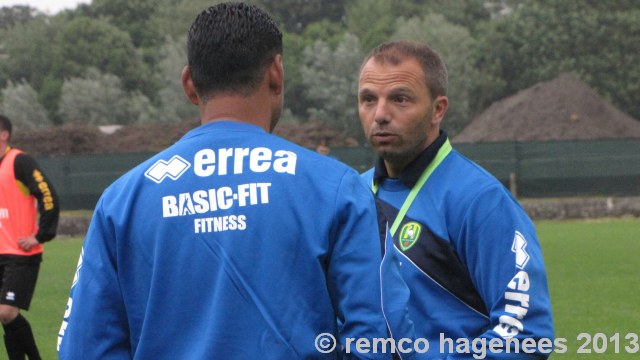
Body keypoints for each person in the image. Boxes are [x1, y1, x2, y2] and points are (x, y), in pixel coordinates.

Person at [58, 3, 410, 359]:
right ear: (276, 73)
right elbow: (377, 336)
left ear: (189, 84)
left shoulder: (122, 202)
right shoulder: (336, 187)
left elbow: (86, 349)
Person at [358, 40, 554, 359]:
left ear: (438, 109)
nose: (380, 114)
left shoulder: (481, 201)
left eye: (400, 99)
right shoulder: (353, 194)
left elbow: (525, 335)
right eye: (368, 99)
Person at [0, 114, 60, 360]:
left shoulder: (20, 161)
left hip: (21, 254)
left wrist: (40, 235)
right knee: (5, 318)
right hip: (1, 253)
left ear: (4, 135)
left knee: (6, 312)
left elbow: (48, 196)